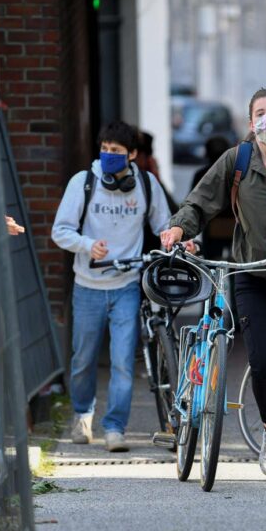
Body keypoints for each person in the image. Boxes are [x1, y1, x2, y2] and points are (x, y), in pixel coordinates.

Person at [161, 88, 266, 482]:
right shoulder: (236, 161)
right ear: (250, 120)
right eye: (260, 113)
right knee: (264, 363)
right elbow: (199, 203)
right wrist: (177, 226)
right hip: (251, 274)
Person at [51, 121, 172, 452]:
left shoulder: (146, 185)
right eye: (104, 149)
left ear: (133, 155)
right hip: (87, 287)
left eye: (116, 152)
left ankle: (115, 427)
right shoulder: (84, 182)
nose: (108, 156)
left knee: (122, 361)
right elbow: (60, 230)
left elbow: (165, 227)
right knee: (83, 360)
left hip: (126, 286)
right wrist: (88, 245)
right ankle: (82, 414)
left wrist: (181, 241)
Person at [191, 136, 233, 260]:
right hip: (235, 226)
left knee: (212, 265)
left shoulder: (200, 175)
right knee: (235, 268)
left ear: (207, 154)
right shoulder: (237, 174)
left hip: (211, 227)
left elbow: (192, 203)